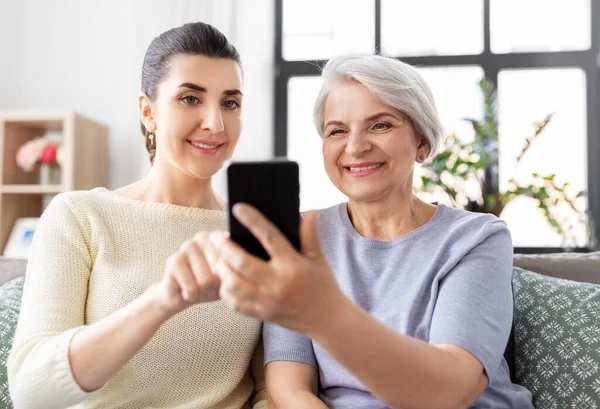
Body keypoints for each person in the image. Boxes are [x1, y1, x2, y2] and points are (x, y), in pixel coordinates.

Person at [206, 55, 534, 408]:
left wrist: (324, 314)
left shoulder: (475, 238)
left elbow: (447, 392)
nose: (355, 146)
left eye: (380, 125)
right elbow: (290, 388)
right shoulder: (300, 237)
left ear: (422, 142)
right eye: (337, 131)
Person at [8, 22, 266, 409]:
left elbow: (269, 389)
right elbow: (31, 390)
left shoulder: (253, 232)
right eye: (190, 98)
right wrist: (163, 300)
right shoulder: (80, 215)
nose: (215, 122)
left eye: (230, 102)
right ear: (148, 111)